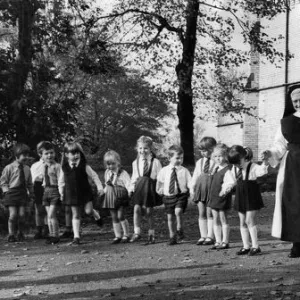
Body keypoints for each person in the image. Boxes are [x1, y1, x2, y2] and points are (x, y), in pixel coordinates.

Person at [262, 85, 300, 258]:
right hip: (294, 167)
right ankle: (297, 242)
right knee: (294, 203)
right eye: (296, 101)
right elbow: (279, 145)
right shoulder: (286, 122)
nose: (299, 103)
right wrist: (270, 153)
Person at [58, 142, 104, 244]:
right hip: (71, 194)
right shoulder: (64, 167)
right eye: (73, 153)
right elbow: (61, 182)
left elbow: (94, 176)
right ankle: (76, 236)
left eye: (77, 153)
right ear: (66, 155)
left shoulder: (84, 165)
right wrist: (61, 193)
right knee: (76, 214)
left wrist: (100, 188)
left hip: (85, 192)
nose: (76, 155)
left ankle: (96, 215)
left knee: (88, 211)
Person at [228, 145, 269, 256]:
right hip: (240, 196)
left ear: (243, 156)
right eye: (234, 163)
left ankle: (255, 246)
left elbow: (262, 172)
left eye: (238, 162)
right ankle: (246, 246)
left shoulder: (253, 166)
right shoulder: (235, 168)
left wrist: (265, 162)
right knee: (242, 222)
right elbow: (231, 179)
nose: (236, 165)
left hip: (251, 196)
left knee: (249, 220)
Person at [157, 145, 192, 245]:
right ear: (169, 158)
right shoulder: (164, 170)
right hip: (168, 196)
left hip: (181, 195)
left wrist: (192, 190)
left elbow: (190, 181)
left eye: (181, 158)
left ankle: (180, 227)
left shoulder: (184, 170)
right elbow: (160, 181)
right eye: (177, 158)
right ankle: (172, 236)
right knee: (170, 217)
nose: (180, 160)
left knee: (178, 211)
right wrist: (159, 189)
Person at [129, 136, 162, 244]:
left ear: (150, 148)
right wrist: (131, 188)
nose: (143, 151)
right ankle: (137, 232)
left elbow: (161, 177)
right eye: (140, 148)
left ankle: (151, 233)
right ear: (137, 149)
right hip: (139, 187)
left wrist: (160, 188)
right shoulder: (135, 162)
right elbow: (134, 176)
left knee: (149, 211)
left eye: (145, 148)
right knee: (136, 209)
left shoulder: (156, 162)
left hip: (150, 187)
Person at [0, 143, 34, 242]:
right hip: (11, 193)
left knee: (22, 215)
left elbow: (29, 183)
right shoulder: (9, 168)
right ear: (16, 156)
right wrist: (6, 192)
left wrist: (31, 193)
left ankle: (20, 233)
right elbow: (3, 182)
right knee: (13, 214)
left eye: (27, 155)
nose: (26, 157)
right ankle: (11, 234)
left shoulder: (27, 169)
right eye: (24, 155)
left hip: (22, 193)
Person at [207, 143, 235, 250]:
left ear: (225, 156)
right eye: (216, 156)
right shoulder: (215, 168)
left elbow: (230, 183)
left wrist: (224, 191)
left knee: (223, 218)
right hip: (214, 197)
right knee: (215, 218)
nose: (218, 158)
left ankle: (225, 241)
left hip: (222, 197)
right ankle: (217, 241)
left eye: (220, 156)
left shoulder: (227, 170)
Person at [191, 136, 216, 246]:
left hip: (211, 189)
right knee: (201, 212)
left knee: (210, 212)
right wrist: (192, 190)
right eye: (201, 150)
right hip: (200, 189)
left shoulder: (216, 161)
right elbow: (195, 176)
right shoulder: (200, 162)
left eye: (205, 150)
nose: (202, 153)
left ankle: (210, 236)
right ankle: (203, 235)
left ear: (212, 149)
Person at [102, 150, 131, 244]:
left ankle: (126, 234)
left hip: (121, 196)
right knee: (114, 216)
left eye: (112, 164)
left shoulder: (123, 173)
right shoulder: (107, 172)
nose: (110, 166)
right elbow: (107, 184)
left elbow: (128, 184)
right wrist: (104, 191)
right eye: (108, 164)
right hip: (111, 195)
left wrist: (130, 192)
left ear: (118, 162)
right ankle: (117, 235)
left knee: (120, 215)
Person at [40, 142, 61, 244]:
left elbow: (61, 180)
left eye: (51, 153)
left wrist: (61, 193)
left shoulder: (57, 166)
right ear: (42, 156)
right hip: (46, 191)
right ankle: (51, 234)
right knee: (48, 215)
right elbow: (44, 179)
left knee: (52, 215)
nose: (49, 155)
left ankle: (56, 235)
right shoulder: (43, 166)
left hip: (55, 191)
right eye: (46, 153)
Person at [31, 141, 48, 239]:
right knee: (38, 209)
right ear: (39, 154)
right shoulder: (35, 165)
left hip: (49, 187)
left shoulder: (54, 165)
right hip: (38, 187)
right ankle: (39, 229)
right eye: (45, 153)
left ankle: (46, 228)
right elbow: (33, 178)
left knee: (47, 209)